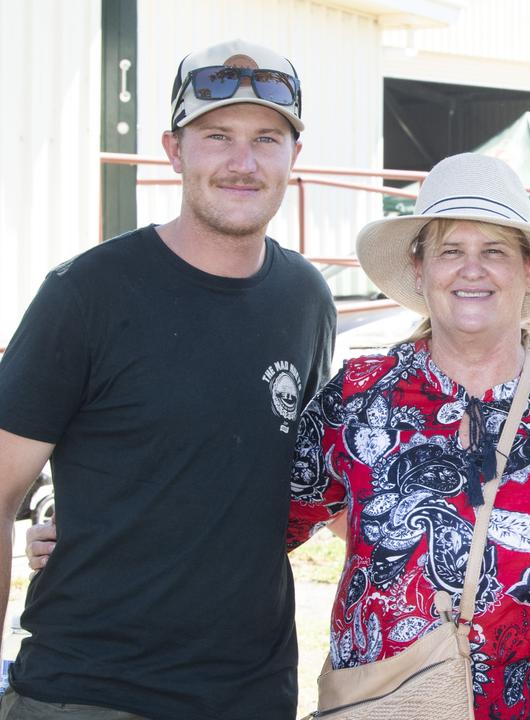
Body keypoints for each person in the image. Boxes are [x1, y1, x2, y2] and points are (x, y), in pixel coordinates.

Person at [0, 39, 334, 719]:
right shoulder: (86, 292)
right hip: (87, 694)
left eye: (267, 138)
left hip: (252, 693)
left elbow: (300, 483)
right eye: (216, 137)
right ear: (174, 150)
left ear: (293, 156)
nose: (243, 162)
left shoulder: (306, 298)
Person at [286, 152, 530, 719]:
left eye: (494, 251)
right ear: (420, 268)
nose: (472, 269)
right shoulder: (359, 398)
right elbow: (267, 527)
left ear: (527, 269)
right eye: (451, 251)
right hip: (390, 705)